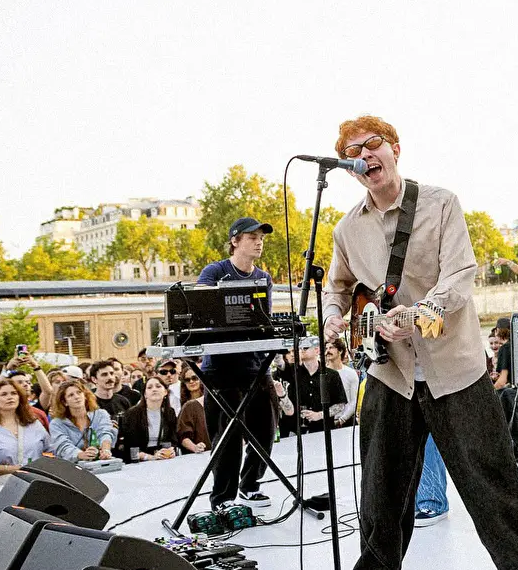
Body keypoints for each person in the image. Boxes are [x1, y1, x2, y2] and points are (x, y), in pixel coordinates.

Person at [324, 113, 518, 570]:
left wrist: (415, 317)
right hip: (389, 372)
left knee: (491, 477)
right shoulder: (348, 228)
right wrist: (333, 319)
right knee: (381, 488)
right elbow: (339, 288)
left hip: (454, 367)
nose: (365, 156)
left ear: (394, 148)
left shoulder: (440, 203)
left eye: (373, 145)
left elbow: (460, 278)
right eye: (353, 152)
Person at [197, 217, 279, 510]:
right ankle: (223, 497)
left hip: (256, 365)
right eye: (252, 237)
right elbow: (204, 311)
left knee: (266, 429)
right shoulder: (215, 271)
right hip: (220, 367)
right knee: (227, 436)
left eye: (261, 238)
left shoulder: (264, 278)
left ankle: (250, 485)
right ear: (235, 241)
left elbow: (262, 318)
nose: (259, 242)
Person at [0, 378, 51, 469]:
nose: (10, 397)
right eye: (4, 394)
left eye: (14, 393)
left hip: (36, 479)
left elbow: (50, 451)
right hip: (2, 481)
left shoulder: (34, 423)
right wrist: (9, 469)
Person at [278, 341, 347, 436]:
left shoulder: (332, 375)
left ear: (317, 350)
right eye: (300, 348)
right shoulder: (293, 371)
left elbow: (340, 404)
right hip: (296, 430)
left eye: (305, 347)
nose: (301, 350)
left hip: (322, 430)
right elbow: (279, 364)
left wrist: (319, 415)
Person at [48, 379, 118, 467]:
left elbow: (105, 433)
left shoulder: (101, 414)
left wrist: (105, 450)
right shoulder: (56, 424)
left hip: (100, 465)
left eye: (79, 392)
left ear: (85, 395)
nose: (76, 397)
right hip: (71, 468)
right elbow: (62, 445)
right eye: (71, 395)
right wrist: (81, 454)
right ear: (64, 402)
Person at [115, 377, 180, 463]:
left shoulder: (170, 412)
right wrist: (151, 457)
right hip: (140, 459)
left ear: (165, 392)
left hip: (163, 457)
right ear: (145, 394)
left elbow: (173, 439)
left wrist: (171, 450)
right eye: (149, 387)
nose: (154, 389)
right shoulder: (133, 413)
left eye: (158, 386)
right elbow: (130, 446)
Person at [324, 339, 359, 427]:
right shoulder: (322, 374)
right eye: (326, 348)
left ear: (340, 351)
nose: (327, 351)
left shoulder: (350, 373)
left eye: (331, 347)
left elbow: (354, 400)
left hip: (347, 421)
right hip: (326, 421)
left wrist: (342, 419)